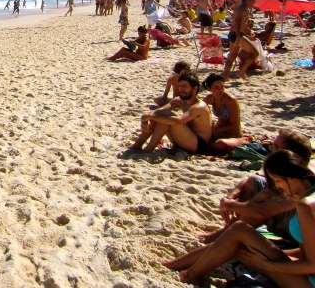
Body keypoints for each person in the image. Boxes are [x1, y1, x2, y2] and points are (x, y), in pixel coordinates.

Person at [166, 149, 315, 287]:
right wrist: (275, 254)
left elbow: (312, 264)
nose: (278, 187)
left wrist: (266, 265)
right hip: (307, 270)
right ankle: (177, 267)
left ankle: (186, 273)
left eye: (278, 181)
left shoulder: (305, 206)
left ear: (291, 177)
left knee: (239, 240)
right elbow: (307, 251)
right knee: (240, 232)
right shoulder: (309, 195)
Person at [129, 72, 213, 153]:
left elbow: (178, 121)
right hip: (185, 138)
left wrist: (150, 117)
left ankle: (147, 150)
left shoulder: (199, 106)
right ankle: (137, 145)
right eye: (179, 86)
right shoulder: (180, 100)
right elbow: (160, 111)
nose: (181, 89)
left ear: (195, 88)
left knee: (166, 118)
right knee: (161, 116)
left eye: (184, 86)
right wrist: (145, 117)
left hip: (199, 145)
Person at [201, 73, 242, 151]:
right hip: (218, 132)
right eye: (216, 87)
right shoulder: (210, 98)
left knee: (220, 144)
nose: (220, 90)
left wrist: (215, 129)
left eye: (222, 86)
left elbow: (234, 125)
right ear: (209, 89)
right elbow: (198, 111)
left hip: (233, 135)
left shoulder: (230, 100)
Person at [223, 0, 256, 80]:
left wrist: (249, 31)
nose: (254, 2)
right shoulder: (243, 9)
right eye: (253, 0)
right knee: (254, 53)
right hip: (237, 35)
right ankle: (241, 71)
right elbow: (237, 22)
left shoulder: (240, 8)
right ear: (247, 0)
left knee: (232, 57)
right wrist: (238, 36)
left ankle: (225, 75)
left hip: (233, 34)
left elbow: (241, 24)